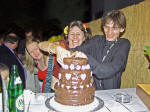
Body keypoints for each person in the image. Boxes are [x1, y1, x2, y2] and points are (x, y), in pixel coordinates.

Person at [41, 10, 131, 90]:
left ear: (122, 29)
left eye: (114, 28)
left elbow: (107, 70)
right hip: (93, 93)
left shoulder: (124, 44)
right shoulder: (97, 40)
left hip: (111, 94)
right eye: (106, 27)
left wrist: (87, 58)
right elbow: (76, 50)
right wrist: (58, 49)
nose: (109, 31)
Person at [34, 20, 91, 92]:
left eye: (78, 34)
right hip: (57, 91)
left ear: (84, 37)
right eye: (72, 34)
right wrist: (56, 49)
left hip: (81, 93)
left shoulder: (90, 50)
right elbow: (41, 45)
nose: (75, 37)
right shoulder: (61, 46)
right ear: (67, 36)